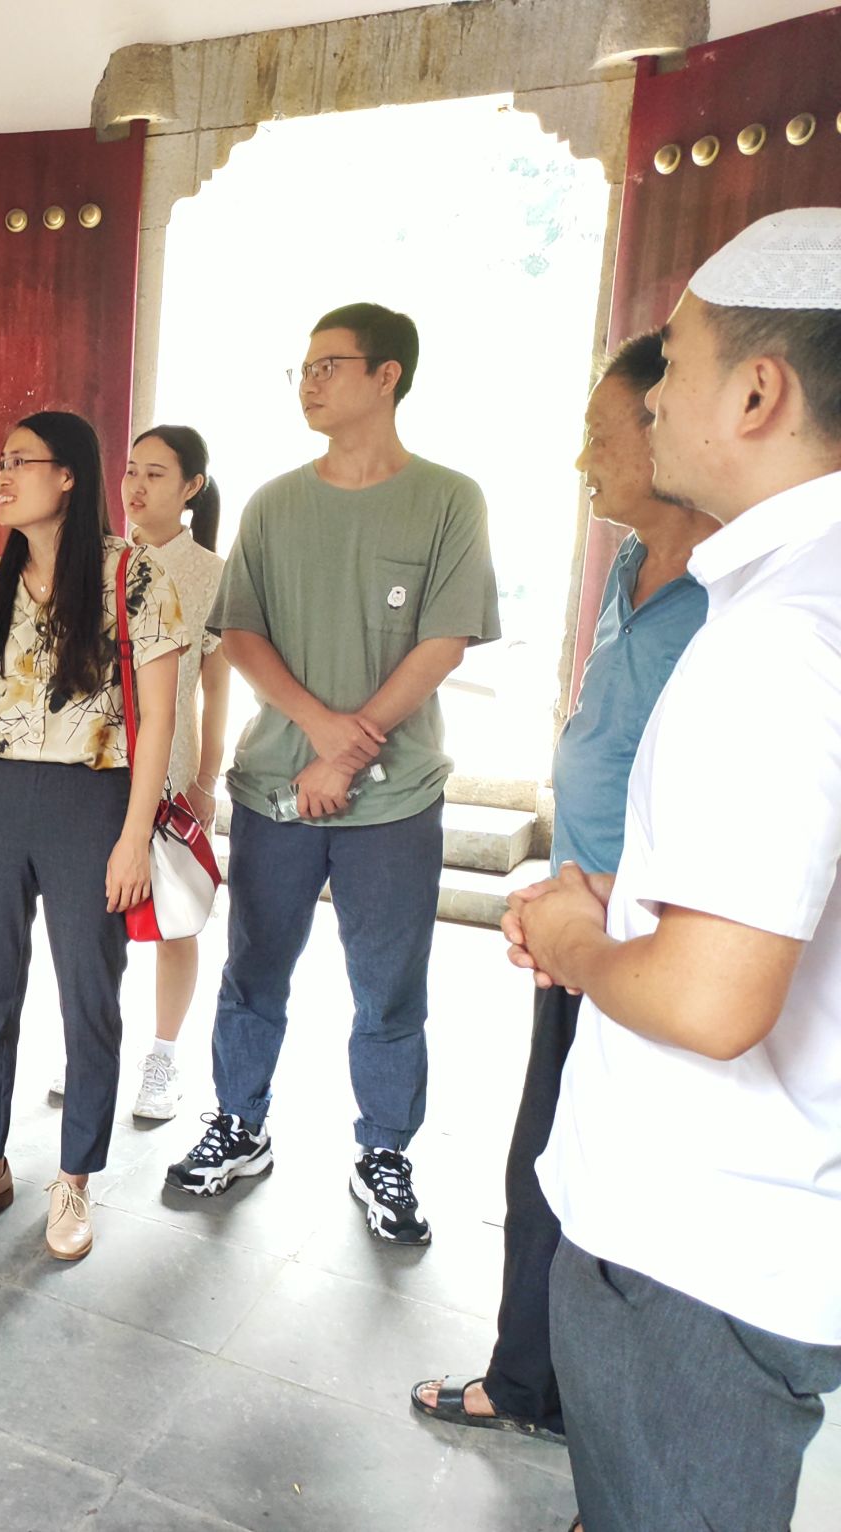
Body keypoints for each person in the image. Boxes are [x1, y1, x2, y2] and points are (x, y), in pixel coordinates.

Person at [510, 208, 841, 1531]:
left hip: (700, 1246)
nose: (651, 396)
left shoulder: (781, 636)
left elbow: (711, 1000)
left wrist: (572, 935)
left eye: (678, 359)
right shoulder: (795, 592)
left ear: (757, 393)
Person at [410, 331, 709, 1444]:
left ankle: (590, 1409)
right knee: (546, 1154)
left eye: (600, 434)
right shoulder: (633, 567)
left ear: (672, 426)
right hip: (582, 930)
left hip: (662, 944)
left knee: (619, 1183)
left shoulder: (742, 598)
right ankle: (534, 1379)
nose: (585, 459)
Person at [168, 302, 500, 1245]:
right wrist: (320, 734)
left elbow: (446, 640)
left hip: (396, 800)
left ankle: (384, 1151)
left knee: (389, 987)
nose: (310, 383)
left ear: (387, 376)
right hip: (277, 787)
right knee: (253, 970)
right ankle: (239, 1124)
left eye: (329, 365)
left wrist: (350, 752)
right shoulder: (276, 502)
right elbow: (240, 631)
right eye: (303, 369)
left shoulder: (449, 499)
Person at [0, 411, 182, 1261]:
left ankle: (73, 1180)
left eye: (19, 461)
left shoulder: (133, 576)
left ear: (68, 474)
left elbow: (158, 719)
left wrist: (134, 835)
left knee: (88, 997)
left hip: (90, 802)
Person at [47, 424, 230, 1123]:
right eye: (130, 471)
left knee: (173, 919)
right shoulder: (94, 560)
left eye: (156, 474)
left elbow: (216, 687)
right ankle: (89, 1050)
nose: (136, 486)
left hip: (171, 772)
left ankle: (163, 1057)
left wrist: (207, 778)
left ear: (191, 488)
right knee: (88, 921)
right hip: (91, 767)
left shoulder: (211, 575)